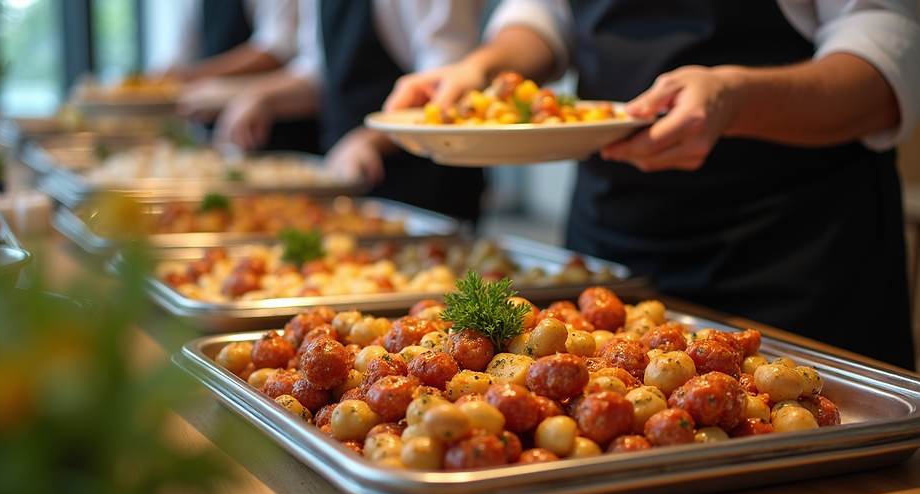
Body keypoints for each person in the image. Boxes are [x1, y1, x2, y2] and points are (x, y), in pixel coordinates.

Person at [384, 0, 920, 370]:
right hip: (613, 235)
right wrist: (486, 67)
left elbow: (890, 56)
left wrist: (734, 98)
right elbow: (547, 14)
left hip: (798, 251)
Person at [213, 0, 491, 227]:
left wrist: (368, 138)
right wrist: (262, 98)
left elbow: (446, 83)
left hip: (425, 183)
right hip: (353, 181)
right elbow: (318, 72)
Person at [162, 0, 321, 153]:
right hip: (215, 127)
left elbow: (278, 50)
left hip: (281, 132)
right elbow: (182, 55)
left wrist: (193, 79)